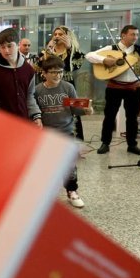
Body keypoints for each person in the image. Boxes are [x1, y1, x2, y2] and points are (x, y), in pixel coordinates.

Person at [34, 56, 93, 208]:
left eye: (60, 72)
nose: (57, 75)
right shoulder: (38, 90)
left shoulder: (68, 88)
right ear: (44, 73)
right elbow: (35, 111)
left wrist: (87, 111)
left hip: (66, 131)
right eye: (53, 72)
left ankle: (72, 191)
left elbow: (75, 109)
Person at [86, 25, 140, 155]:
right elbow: (89, 55)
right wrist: (104, 59)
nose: (135, 37)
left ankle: (132, 144)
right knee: (109, 116)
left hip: (133, 87)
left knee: (132, 118)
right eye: (132, 34)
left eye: (137, 34)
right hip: (115, 87)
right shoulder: (111, 49)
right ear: (123, 35)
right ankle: (105, 143)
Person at [0, 28, 42, 124]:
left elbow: (29, 96)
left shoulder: (28, 70)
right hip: (1, 123)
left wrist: (36, 116)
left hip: (23, 122)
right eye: (2, 47)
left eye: (10, 46)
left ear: (18, 45)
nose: (6, 50)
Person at [40, 25, 86, 139]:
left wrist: (69, 48)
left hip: (67, 86)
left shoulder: (73, 52)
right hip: (49, 87)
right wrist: (47, 52)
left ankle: (75, 143)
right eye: (55, 34)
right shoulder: (47, 51)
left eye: (60, 34)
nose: (57, 37)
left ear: (68, 36)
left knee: (72, 110)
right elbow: (39, 67)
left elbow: (76, 65)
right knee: (52, 111)